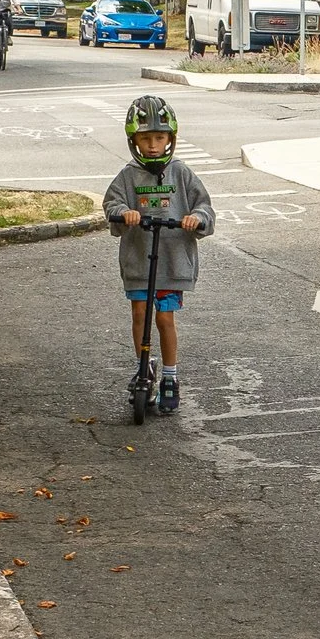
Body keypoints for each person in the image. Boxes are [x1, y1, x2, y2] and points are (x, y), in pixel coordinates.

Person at [100, 95, 215, 413]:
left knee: (164, 319)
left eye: (159, 137)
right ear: (134, 140)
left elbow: (204, 205)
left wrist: (197, 218)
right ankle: (143, 366)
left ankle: (170, 375)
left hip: (170, 260)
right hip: (140, 259)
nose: (152, 145)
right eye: (145, 138)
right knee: (139, 316)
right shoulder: (129, 175)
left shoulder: (181, 173)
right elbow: (111, 202)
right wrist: (124, 212)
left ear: (170, 139)